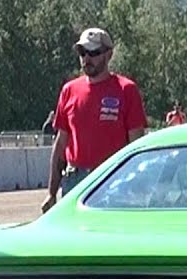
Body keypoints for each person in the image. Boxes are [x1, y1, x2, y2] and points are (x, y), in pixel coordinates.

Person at [42, 27, 147, 213]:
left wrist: (136, 189)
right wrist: (51, 192)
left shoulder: (126, 90)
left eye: (93, 53)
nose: (86, 59)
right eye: (82, 52)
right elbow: (61, 144)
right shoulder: (69, 90)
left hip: (114, 180)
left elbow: (136, 146)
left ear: (109, 55)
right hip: (75, 181)